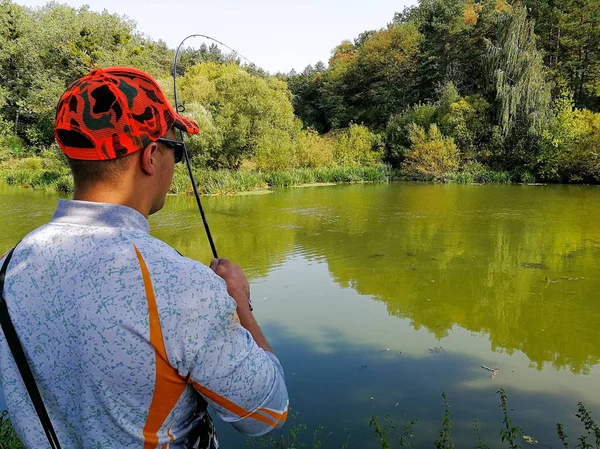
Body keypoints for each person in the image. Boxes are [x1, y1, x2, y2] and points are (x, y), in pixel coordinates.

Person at [0, 67, 288, 448]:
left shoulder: (8, 267)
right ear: (151, 156)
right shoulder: (180, 287)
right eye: (177, 151)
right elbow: (266, 413)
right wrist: (240, 304)